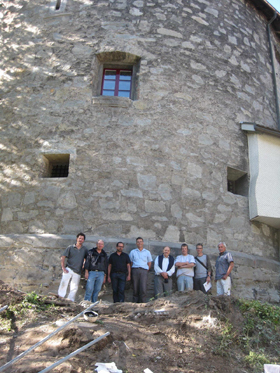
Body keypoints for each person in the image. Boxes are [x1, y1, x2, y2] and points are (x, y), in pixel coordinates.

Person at [58, 232, 88, 302]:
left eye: (82, 239)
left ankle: (70, 300)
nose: (80, 240)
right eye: (79, 238)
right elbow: (63, 257)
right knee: (64, 283)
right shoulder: (70, 247)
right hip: (69, 269)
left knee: (74, 287)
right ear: (77, 239)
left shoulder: (84, 249)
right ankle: (60, 297)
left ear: (84, 240)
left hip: (78, 271)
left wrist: (83, 264)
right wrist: (63, 268)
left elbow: (86, 259)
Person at [129, 237, 152, 303]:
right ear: (136, 243)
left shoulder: (147, 252)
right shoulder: (133, 252)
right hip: (135, 270)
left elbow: (149, 262)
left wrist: (147, 269)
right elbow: (131, 262)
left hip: (144, 271)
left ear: (143, 243)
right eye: (138, 242)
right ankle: (135, 303)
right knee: (135, 288)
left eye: (141, 241)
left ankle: (143, 303)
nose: (139, 243)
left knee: (143, 288)